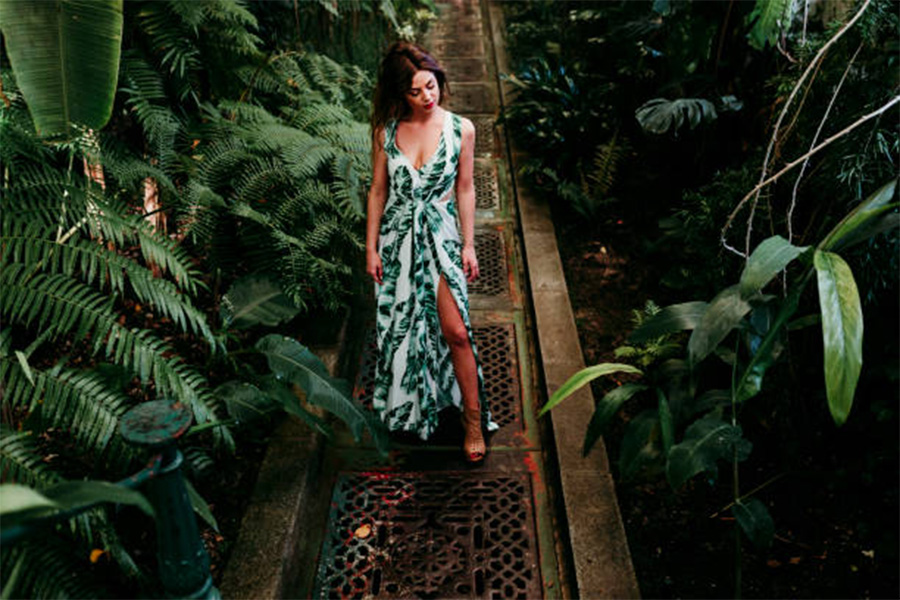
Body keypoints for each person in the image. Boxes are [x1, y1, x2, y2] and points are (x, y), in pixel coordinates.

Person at [365, 42, 498, 463]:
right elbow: (378, 191)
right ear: (399, 94)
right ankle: (418, 411)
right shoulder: (386, 133)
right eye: (417, 91)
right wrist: (370, 248)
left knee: (456, 331)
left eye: (432, 84)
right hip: (398, 239)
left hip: (439, 237)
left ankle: (473, 420)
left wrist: (469, 243)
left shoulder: (462, 129)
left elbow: (465, 188)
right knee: (405, 332)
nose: (428, 95)